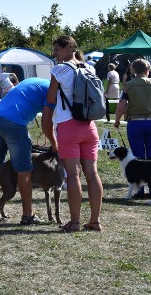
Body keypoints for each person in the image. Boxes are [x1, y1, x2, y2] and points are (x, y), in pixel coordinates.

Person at [43, 35, 103, 232]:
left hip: (68, 126)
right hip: (89, 126)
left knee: (73, 175)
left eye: (57, 50)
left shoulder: (59, 70)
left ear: (68, 48)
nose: (55, 54)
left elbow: (51, 97)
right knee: (92, 174)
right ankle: (95, 221)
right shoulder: (89, 68)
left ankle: (75, 222)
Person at [0, 77, 54, 224]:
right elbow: (46, 123)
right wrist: (55, 143)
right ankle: (27, 215)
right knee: (24, 169)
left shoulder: (35, 81)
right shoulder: (54, 90)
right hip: (15, 123)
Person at [114, 59, 151, 161]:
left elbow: (121, 106)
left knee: (138, 155)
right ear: (148, 70)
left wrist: (117, 120)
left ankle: (141, 175)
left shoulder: (128, 85)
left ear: (133, 71)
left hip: (135, 123)